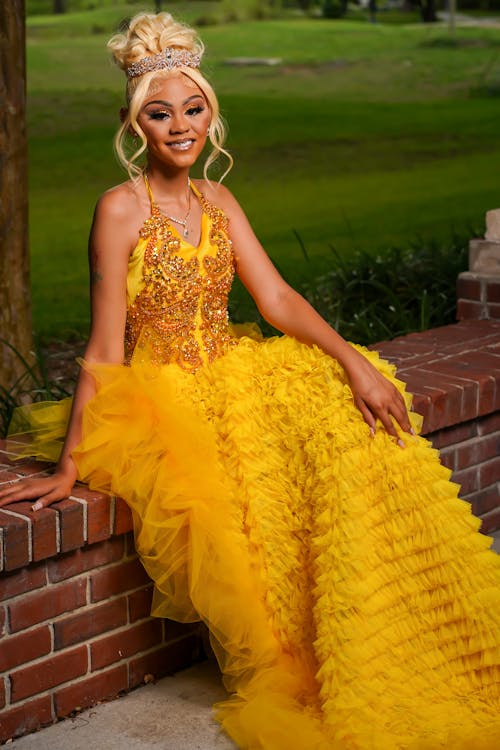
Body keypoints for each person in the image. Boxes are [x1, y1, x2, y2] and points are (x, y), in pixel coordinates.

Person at [2, 11, 500, 749]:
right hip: (164, 393)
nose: (180, 127)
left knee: (344, 425)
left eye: (193, 110)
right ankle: (304, 651)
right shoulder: (119, 209)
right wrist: (72, 463)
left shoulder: (219, 201)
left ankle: (385, 621)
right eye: (161, 113)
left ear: (211, 114)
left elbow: (277, 301)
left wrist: (354, 361)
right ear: (134, 122)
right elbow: (105, 348)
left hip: (234, 368)